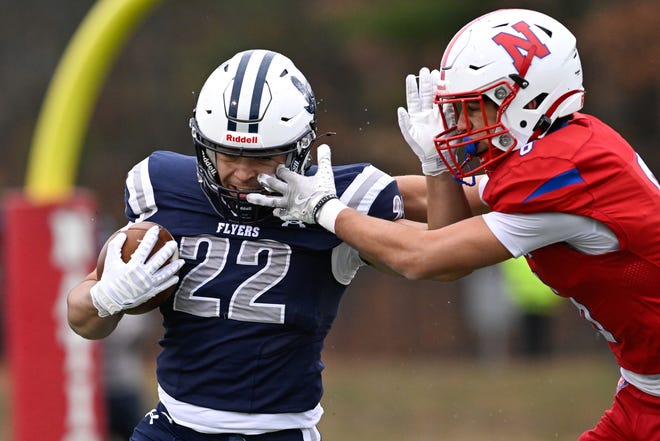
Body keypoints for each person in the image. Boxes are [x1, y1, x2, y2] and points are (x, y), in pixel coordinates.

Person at [247, 9, 660, 441]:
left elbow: (425, 257)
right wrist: (430, 168)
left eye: (476, 106)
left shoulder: (563, 173)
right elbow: (442, 217)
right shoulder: (563, 148)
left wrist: (324, 210)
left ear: (530, 100)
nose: (461, 124)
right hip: (640, 392)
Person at [67, 49, 418, 440]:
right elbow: (80, 319)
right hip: (172, 427)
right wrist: (106, 297)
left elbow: (428, 253)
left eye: (263, 157)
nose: (243, 173)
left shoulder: (337, 196)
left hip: (277, 431)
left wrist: (331, 210)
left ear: (298, 148)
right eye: (229, 153)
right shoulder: (163, 188)